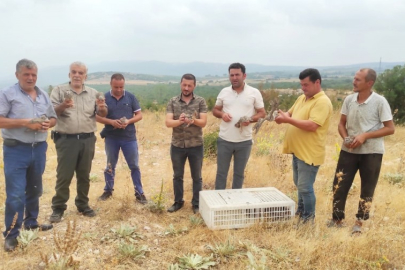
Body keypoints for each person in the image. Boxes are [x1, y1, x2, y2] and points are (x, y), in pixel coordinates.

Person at [0, 59, 57, 252]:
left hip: (39, 148)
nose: (30, 78)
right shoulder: (8, 94)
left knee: (34, 189)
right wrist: (27, 122)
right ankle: (11, 235)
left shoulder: (43, 95)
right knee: (15, 195)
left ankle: (31, 222)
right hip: (16, 150)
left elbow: (53, 117)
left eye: (33, 74)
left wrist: (49, 123)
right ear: (17, 75)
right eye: (26, 74)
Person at [329, 68, 395, 233]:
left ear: (369, 83)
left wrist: (365, 136)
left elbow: (390, 128)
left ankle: (360, 223)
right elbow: (341, 124)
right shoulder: (349, 100)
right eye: (354, 78)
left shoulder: (380, 102)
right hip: (348, 151)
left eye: (358, 79)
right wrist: (345, 138)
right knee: (339, 184)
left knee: (367, 188)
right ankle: (337, 220)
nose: (354, 81)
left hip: (371, 152)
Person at [49, 61, 107, 223]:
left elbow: (102, 112)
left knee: (84, 175)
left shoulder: (93, 93)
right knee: (64, 176)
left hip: (88, 139)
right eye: (74, 72)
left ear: (85, 76)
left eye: (80, 73)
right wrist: (63, 105)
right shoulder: (59, 91)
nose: (77, 75)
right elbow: (51, 111)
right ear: (69, 74)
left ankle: (82, 204)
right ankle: (58, 207)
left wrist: (102, 107)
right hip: (67, 140)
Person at [275, 68, 332, 223]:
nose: (303, 88)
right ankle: (301, 213)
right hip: (298, 150)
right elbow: (290, 114)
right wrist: (282, 117)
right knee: (300, 185)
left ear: (317, 82)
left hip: (310, 152)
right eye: (302, 85)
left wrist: (287, 120)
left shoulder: (322, 102)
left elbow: (312, 125)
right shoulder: (302, 98)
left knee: (306, 188)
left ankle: (308, 220)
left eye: (306, 85)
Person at [212, 63, 265, 190]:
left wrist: (250, 120)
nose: (234, 78)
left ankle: (235, 202)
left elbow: (262, 113)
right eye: (232, 75)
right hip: (224, 139)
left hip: (244, 141)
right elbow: (215, 110)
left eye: (237, 75)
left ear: (244, 75)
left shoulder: (254, 92)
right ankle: (219, 200)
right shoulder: (224, 92)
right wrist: (222, 114)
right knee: (221, 174)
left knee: (239, 174)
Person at [96, 73, 147, 204]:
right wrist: (112, 122)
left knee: (134, 165)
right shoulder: (104, 98)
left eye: (121, 87)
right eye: (116, 87)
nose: (119, 90)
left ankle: (139, 192)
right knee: (110, 165)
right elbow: (97, 117)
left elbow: (139, 115)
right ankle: (108, 190)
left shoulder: (130, 97)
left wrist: (128, 121)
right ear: (110, 85)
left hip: (129, 137)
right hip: (111, 137)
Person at [165, 73, 207, 214]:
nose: (187, 88)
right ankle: (178, 202)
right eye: (184, 84)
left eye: (189, 85)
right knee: (177, 176)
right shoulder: (173, 101)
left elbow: (203, 122)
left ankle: (196, 204)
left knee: (197, 177)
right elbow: (168, 122)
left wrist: (192, 121)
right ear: (180, 84)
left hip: (196, 145)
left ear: (194, 86)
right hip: (177, 145)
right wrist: (181, 121)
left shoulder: (200, 102)